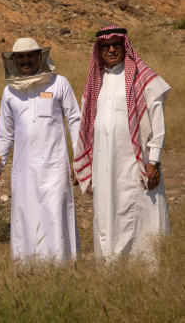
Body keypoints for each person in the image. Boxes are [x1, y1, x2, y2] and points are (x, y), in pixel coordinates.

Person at [73, 25, 171, 261]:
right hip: (105, 165)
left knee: (140, 210)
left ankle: (148, 268)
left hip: (136, 164)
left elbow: (158, 125)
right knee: (107, 213)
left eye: (117, 44)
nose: (112, 49)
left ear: (125, 46)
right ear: (99, 50)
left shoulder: (144, 79)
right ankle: (111, 270)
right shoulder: (97, 81)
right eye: (106, 46)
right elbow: (87, 127)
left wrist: (154, 162)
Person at [0, 38, 81, 262]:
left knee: (55, 215)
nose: (25, 60)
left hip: (55, 168)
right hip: (24, 171)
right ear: (13, 60)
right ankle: (28, 271)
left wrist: (80, 160)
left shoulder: (59, 83)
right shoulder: (10, 92)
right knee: (26, 218)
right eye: (20, 56)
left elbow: (75, 121)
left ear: (40, 57)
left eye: (30, 55)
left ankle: (60, 268)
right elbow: (6, 136)